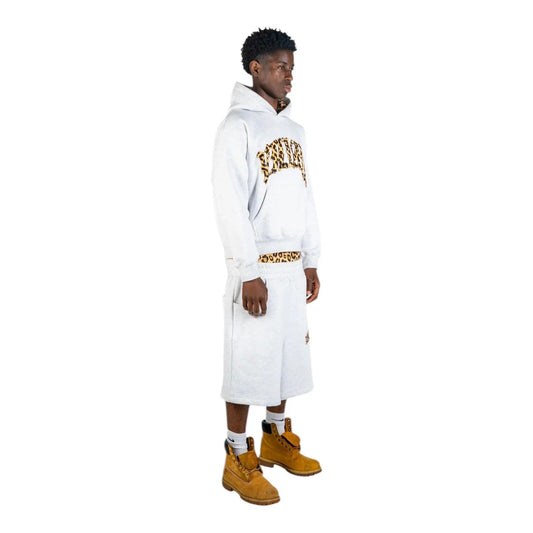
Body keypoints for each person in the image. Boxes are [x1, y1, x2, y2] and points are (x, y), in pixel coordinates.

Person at [211, 27, 322, 506]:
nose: (289, 75)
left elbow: (306, 197)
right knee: (249, 363)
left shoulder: (295, 131)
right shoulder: (236, 126)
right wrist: (247, 269)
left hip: (292, 264)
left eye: (292, 67)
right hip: (256, 267)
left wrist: (311, 258)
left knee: (285, 359)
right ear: (255, 68)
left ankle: (276, 438)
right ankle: (237, 457)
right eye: (280, 67)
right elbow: (229, 203)